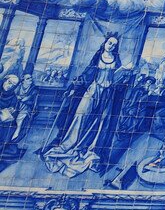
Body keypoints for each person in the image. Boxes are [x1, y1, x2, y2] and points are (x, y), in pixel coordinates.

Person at [40, 35, 127, 177]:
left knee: (99, 121)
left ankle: (88, 147)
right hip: (93, 90)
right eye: (109, 42)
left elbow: (117, 78)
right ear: (105, 42)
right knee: (80, 115)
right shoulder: (97, 57)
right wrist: (75, 86)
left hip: (107, 93)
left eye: (114, 44)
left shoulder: (116, 61)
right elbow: (87, 73)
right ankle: (69, 143)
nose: (111, 46)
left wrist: (122, 75)